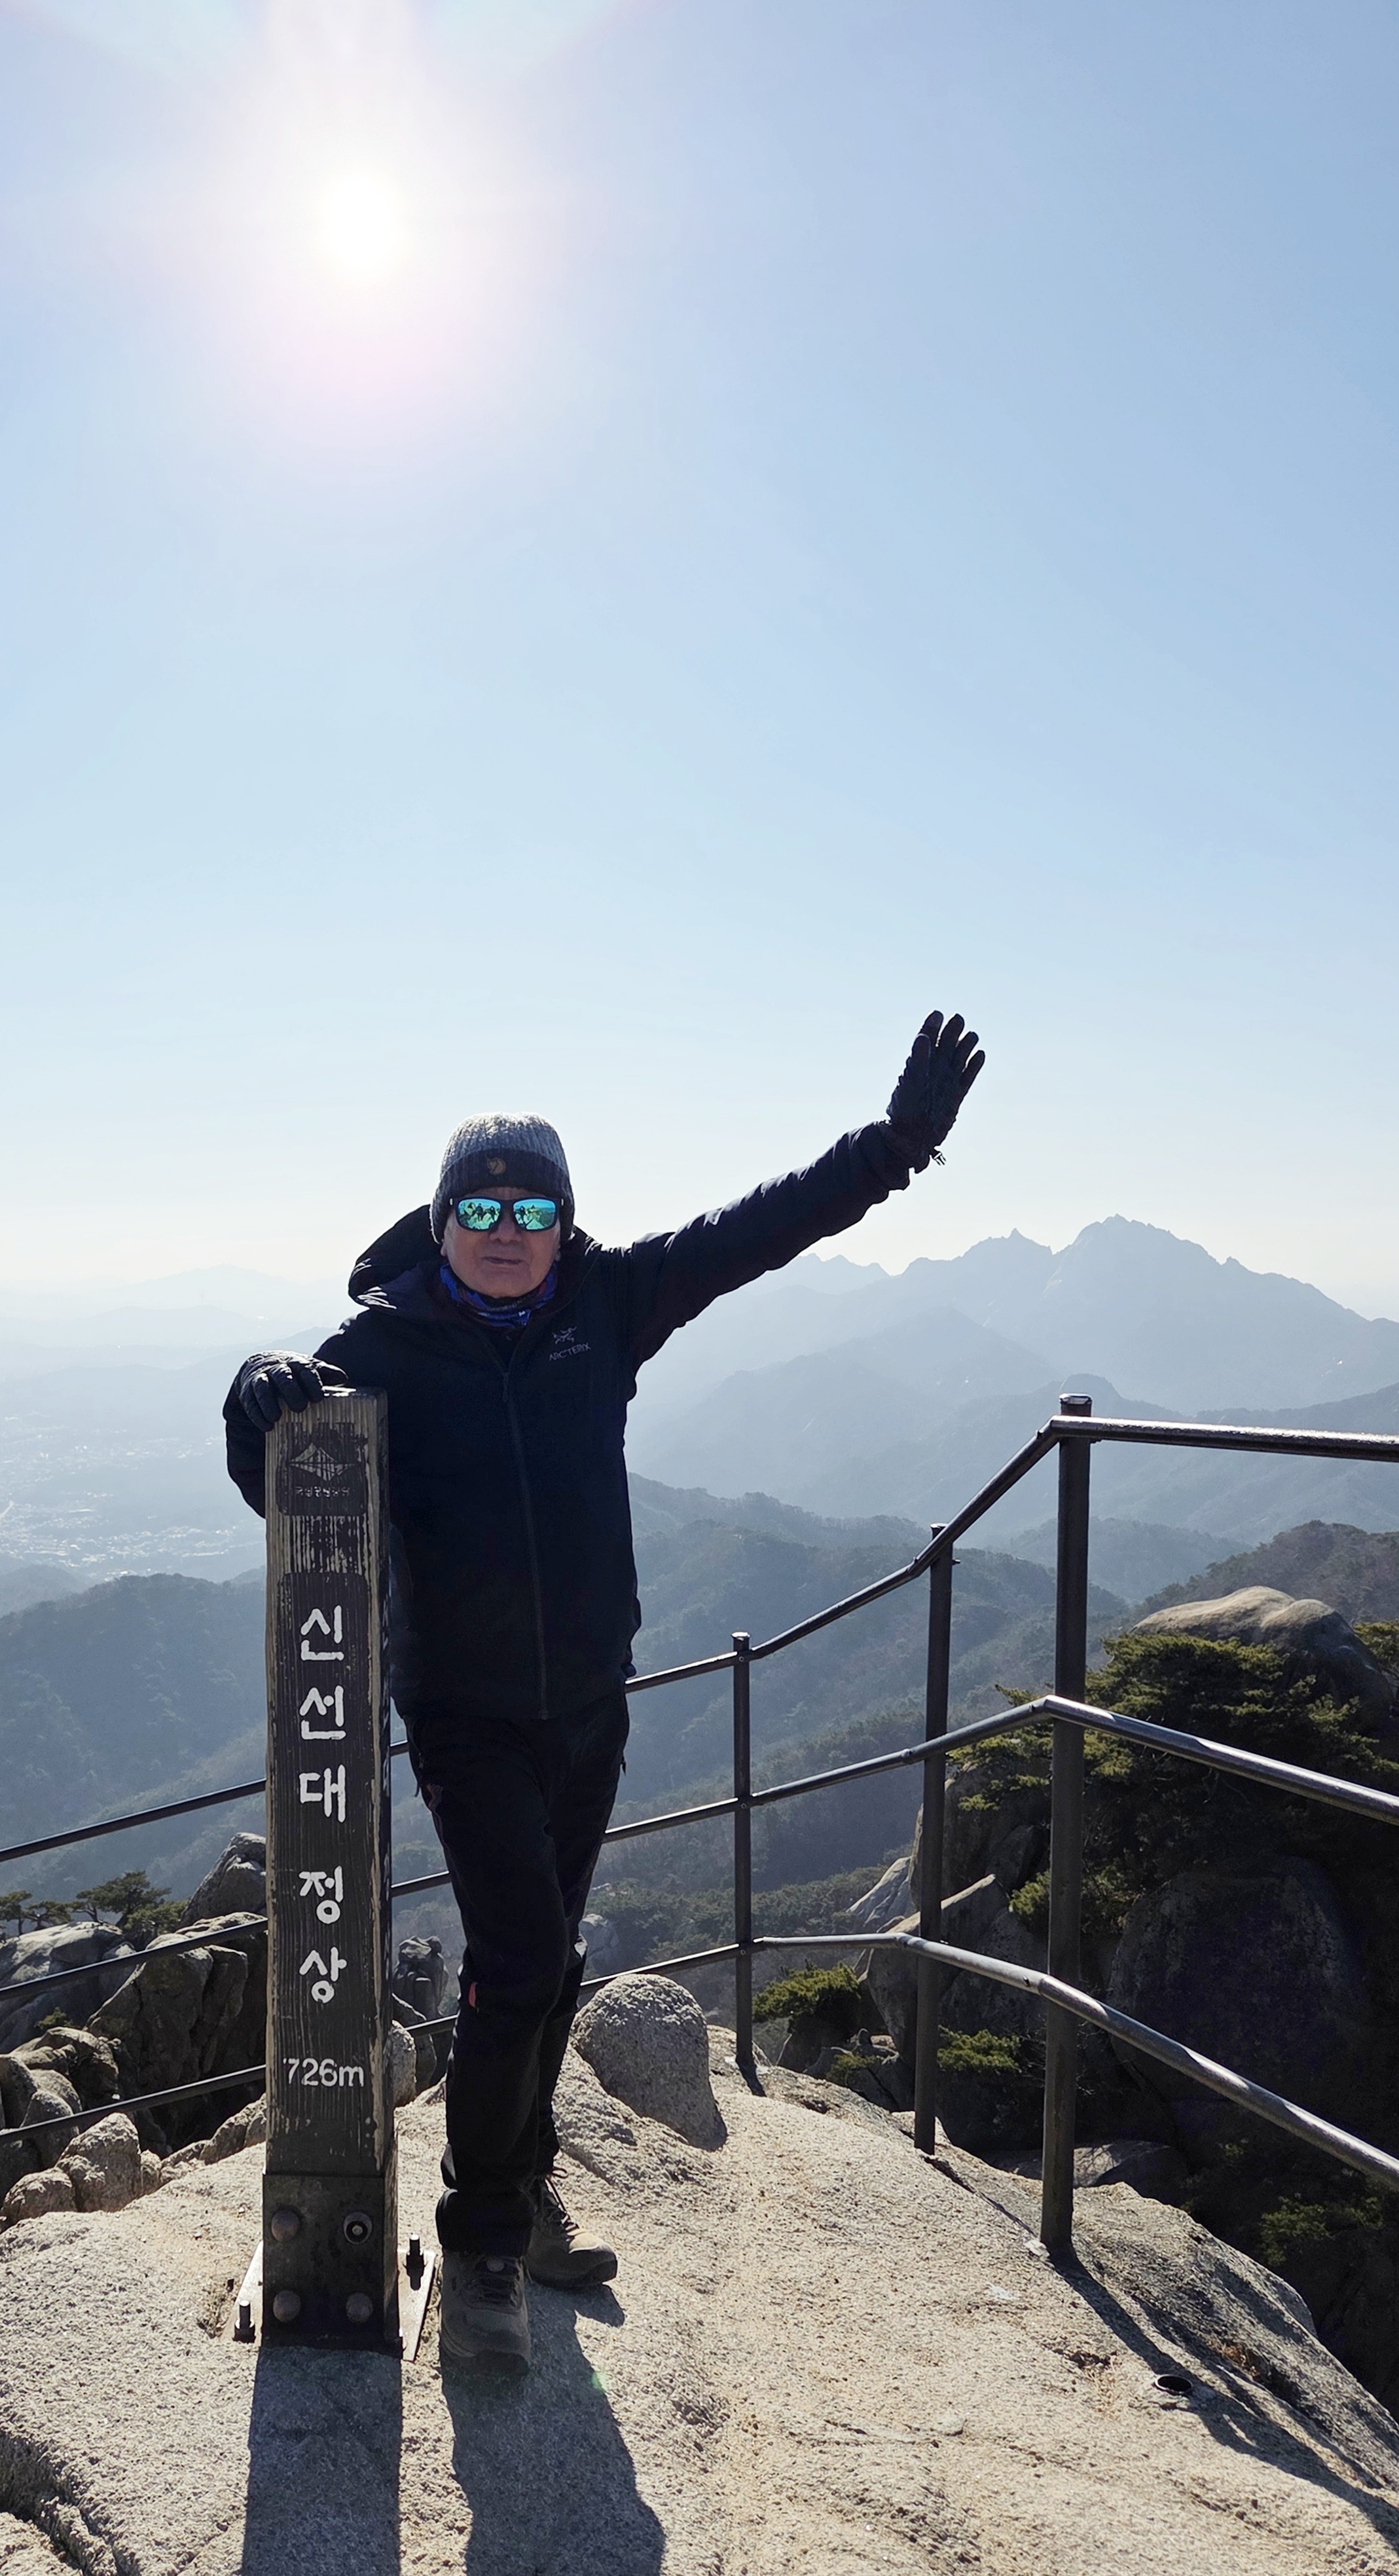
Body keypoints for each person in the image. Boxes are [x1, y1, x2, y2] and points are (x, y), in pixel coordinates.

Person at [222, 1011, 985, 2372]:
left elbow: (761, 1229)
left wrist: (895, 1147)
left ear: (565, 1222)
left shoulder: (606, 1302)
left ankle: (517, 2184)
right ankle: (483, 2241)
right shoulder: (383, 1344)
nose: (507, 1229)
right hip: (463, 1712)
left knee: (551, 1957)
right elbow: (272, 1462)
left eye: (534, 1207)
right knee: (520, 1959)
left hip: (590, 1698)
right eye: (480, 1207)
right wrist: (251, 1391)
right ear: (439, 1220)